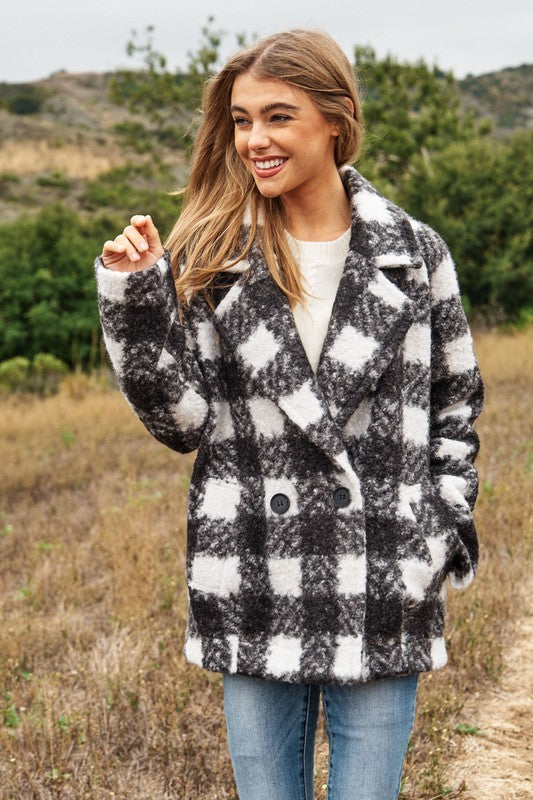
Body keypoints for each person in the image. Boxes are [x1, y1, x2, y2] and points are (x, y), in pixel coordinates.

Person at [94, 28, 484, 800]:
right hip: (253, 575)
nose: (254, 140)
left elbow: (455, 408)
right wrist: (137, 298)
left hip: (383, 579)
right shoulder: (213, 255)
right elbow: (182, 422)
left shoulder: (415, 254)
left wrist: (434, 532)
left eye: (278, 116)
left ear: (335, 120)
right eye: (242, 120)